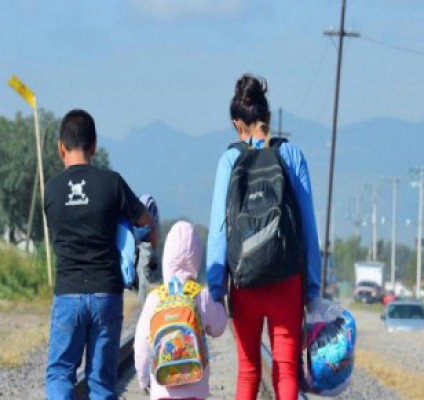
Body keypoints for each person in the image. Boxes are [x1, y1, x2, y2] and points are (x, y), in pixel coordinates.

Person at [206, 74, 322, 399]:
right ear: (268, 118)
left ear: (236, 124)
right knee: (285, 370)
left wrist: (216, 289)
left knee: (248, 371)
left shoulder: (230, 159)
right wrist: (312, 288)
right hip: (287, 281)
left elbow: (219, 229)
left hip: (245, 284)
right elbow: (308, 228)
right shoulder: (292, 155)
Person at [44, 109, 157, 400]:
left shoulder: (52, 190)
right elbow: (146, 222)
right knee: (100, 382)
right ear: (94, 145)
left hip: (67, 293)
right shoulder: (112, 183)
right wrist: (148, 258)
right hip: (106, 293)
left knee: (60, 373)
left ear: (60, 147)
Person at [134, 221, 227, 400]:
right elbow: (219, 327)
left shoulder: (156, 297)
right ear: (197, 257)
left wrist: (144, 378)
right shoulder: (200, 295)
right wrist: (219, 301)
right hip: (195, 388)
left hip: (163, 388)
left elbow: (142, 343)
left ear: (167, 257)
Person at [135, 194, 162, 304]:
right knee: (143, 279)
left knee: (141, 281)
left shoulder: (137, 206)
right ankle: (142, 306)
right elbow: (154, 228)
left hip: (139, 246)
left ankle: (141, 306)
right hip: (147, 246)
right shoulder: (151, 206)